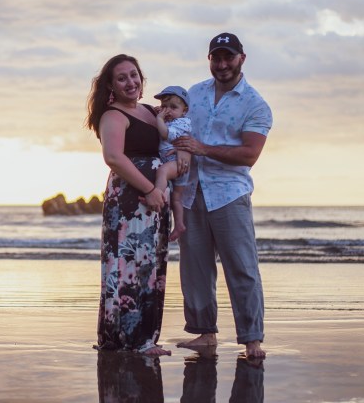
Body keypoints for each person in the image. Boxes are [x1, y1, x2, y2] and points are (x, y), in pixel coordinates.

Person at [173, 32, 272, 360]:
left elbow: (248, 155)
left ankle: (252, 339)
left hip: (230, 195)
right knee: (195, 268)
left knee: (242, 268)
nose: (222, 64)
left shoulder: (255, 104)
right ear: (210, 60)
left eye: (228, 57)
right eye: (217, 57)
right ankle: (205, 333)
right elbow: (176, 129)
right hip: (190, 192)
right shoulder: (194, 94)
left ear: (241, 58)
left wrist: (202, 148)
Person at [86, 54, 179, 356]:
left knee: (150, 265)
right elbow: (114, 157)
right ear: (111, 86)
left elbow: (178, 138)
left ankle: (145, 337)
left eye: (134, 75)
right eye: (122, 77)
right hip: (131, 199)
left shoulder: (153, 112)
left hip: (155, 198)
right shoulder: (112, 115)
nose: (131, 82)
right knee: (128, 265)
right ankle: (129, 339)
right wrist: (151, 188)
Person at [152, 85, 192, 242]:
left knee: (162, 172)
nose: (167, 111)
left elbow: (166, 134)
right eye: (164, 107)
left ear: (184, 110)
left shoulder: (182, 122)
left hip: (176, 162)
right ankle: (179, 224)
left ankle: (157, 195)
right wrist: (159, 113)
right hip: (175, 163)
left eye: (173, 107)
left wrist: (159, 118)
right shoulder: (170, 119)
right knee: (176, 198)